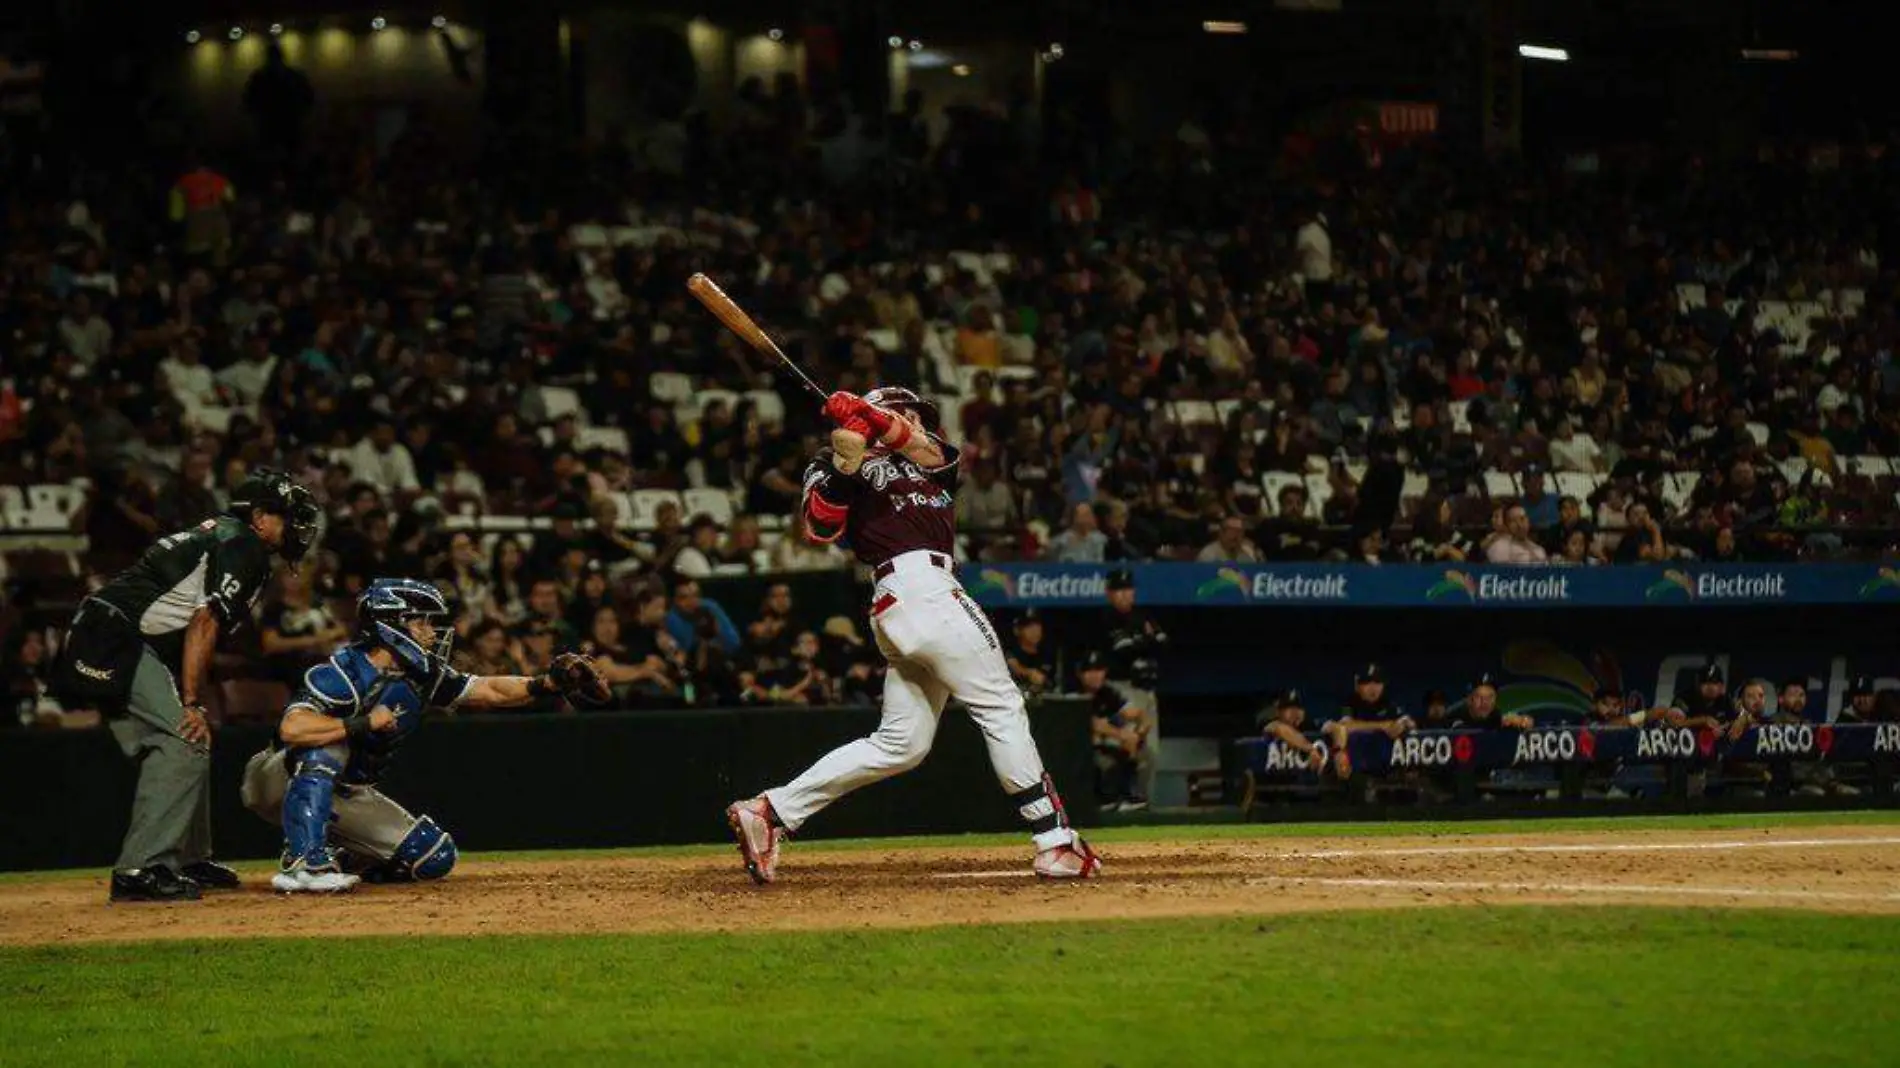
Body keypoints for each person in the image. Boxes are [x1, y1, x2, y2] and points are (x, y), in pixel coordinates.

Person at [725, 385, 1100, 882]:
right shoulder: (833, 455)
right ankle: (1054, 840)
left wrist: (873, 419)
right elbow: (819, 527)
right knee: (1002, 704)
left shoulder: (932, 461)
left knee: (901, 745)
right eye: (913, 414)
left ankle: (769, 811)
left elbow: (926, 447)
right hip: (911, 589)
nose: (923, 423)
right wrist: (845, 464)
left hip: (921, 596)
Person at [239, 580, 609, 893]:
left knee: (433, 855)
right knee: (328, 745)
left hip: (347, 791)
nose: (430, 633)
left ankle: (338, 854)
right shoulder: (342, 671)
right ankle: (304, 865)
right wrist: (363, 723)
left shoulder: (421, 675)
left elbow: (488, 690)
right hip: (277, 779)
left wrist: (546, 683)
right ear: (390, 626)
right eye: (420, 623)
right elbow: (293, 730)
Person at [53, 469, 319, 902]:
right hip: (114, 637)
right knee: (184, 737)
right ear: (260, 517)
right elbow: (204, 621)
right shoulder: (244, 545)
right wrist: (192, 700)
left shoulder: (228, 535)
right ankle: (142, 868)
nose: (297, 529)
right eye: (289, 517)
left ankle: (188, 858)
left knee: (189, 741)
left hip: (114, 634)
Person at [1094, 568, 1167, 798]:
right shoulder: (1105, 619)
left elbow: (1164, 644)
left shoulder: (1143, 615)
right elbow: (1122, 650)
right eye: (1118, 590)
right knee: (1126, 746)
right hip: (1121, 691)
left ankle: (1144, 803)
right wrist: (1148, 639)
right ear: (1109, 593)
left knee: (1152, 752)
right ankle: (1122, 801)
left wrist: (1141, 640)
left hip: (1147, 691)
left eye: (1128, 589)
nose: (1125, 594)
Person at [1077, 652, 1149, 811]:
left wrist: (1140, 731)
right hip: (1074, 748)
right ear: (1081, 674)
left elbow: (1135, 713)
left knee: (1129, 740)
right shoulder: (1074, 691)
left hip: (1099, 744)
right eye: (1089, 671)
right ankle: (1102, 800)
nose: (1095, 675)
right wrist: (1121, 735)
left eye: (1099, 670)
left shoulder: (1107, 692)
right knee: (1106, 744)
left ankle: (1126, 796)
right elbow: (1091, 723)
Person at [1321, 663, 1412, 780]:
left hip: (1385, 765)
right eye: (1367, 683)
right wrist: (1384, 726)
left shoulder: (1389, 702)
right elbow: (1345, 726)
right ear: (1358, 686)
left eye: (1377, 683)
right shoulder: (1349, 702)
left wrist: (1403, 723)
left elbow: (1407, 722)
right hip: (1353, 766)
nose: (1373, 688)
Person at [1257, 689, 1325, 772]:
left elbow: (1335, 726)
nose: (1295, 712)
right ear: (1278, 712)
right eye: (1288, 708)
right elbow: (1280, 729)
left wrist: (1339, 751)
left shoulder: (1308, 725)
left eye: (1298, 707)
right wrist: (1311, 749)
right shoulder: (1270, 723)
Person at [1005, 609, 1056, 698]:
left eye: (1037, 626)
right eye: (1029, 627)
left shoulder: (1048, 654)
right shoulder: (1010, 652)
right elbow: (1015, 667)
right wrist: (1028, 673)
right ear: (1017, 630)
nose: (1034, 631)